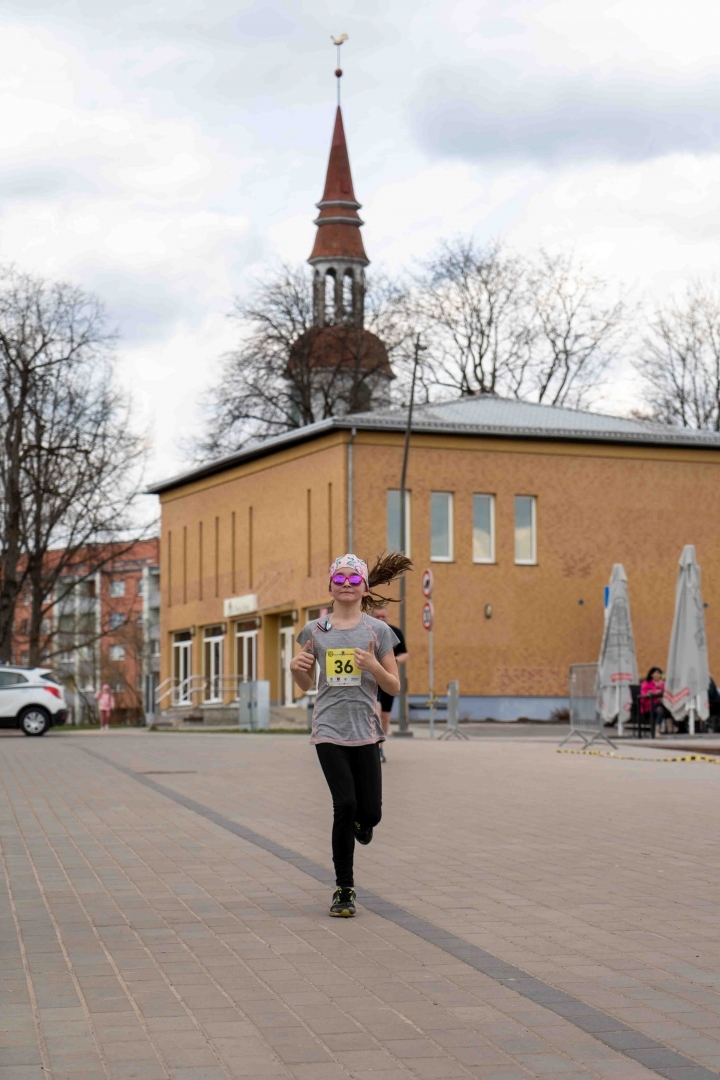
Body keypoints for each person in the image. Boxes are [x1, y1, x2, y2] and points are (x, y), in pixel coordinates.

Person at [291, 551, 411, 918]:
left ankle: (364, 822)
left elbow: (394, 685)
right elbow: (306, 684)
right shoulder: (316, 630)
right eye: (339, 578)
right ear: (329, 585)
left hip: (366, 731)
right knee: (343, 805)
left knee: (369, 812)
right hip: (328, 729)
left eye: (353, 579)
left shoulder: (378, 631)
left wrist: (374, 665)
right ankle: (344, 888)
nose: (345, 584)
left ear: (365, 587)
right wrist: (296, 669)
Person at [372, 607, 408, 762]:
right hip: (372, 678)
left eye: (383, 616)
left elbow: (404, 653)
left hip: (389, 678)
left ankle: (381, 746)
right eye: (377, 616)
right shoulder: (368, 631)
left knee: (385, 718)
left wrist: (395, 661)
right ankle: (374, 747)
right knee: (376, 709)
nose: (381, 619)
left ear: (387, 616)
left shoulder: (395, 632)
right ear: (373, 617)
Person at [640, 667, 665, 735]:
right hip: (649, 705)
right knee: (660, 710)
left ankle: (671, 728)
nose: (658, 675)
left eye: (659, 673)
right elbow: (643, 694)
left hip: (661, 703)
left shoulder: (662, 683)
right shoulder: (646, 683)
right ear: (652, 674)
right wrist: (650, 692)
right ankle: (657, 731)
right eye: (656, 673)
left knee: (668, 709)